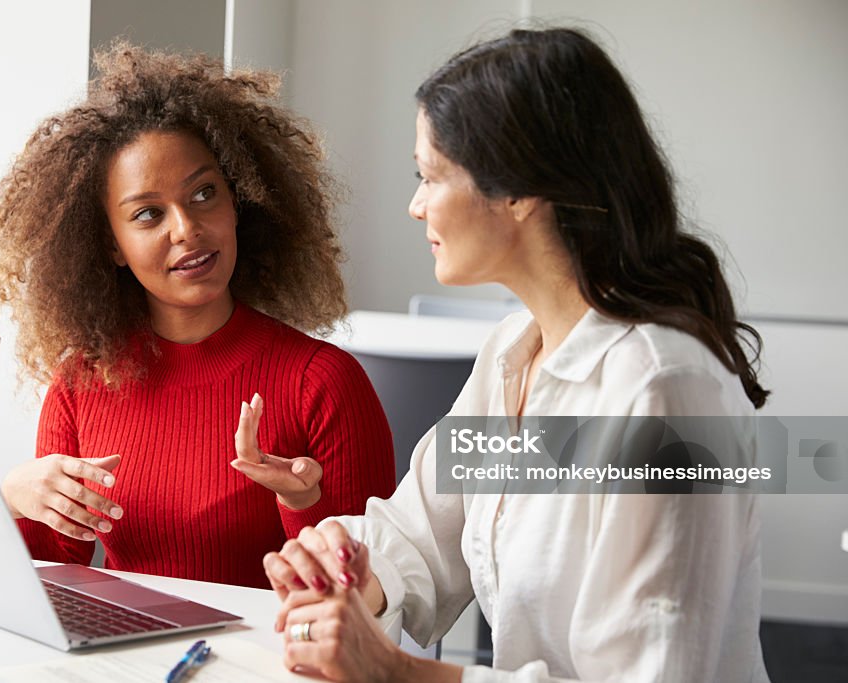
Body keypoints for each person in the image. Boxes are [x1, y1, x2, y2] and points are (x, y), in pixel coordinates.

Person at [262, 28, 771, 681]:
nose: (415, 205)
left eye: (430, 175)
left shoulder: (664, 392)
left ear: (520, 192)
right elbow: (423, 530)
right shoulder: (513, 352)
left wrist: (399, 672)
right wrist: (348, 569)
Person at [0, 43, 395, 590]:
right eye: (148, 214)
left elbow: (364, 596)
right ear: (112, 245)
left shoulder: (324, 382)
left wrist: (300, 501)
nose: (186, 228)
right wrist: (12, 500)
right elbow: (53, 575)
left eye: (203, 194)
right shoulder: (80, 384)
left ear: (237, 203)